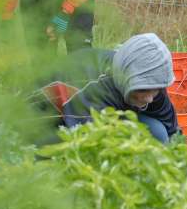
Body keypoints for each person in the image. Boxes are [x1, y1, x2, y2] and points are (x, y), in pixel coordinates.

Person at [46, 33, 179, 144]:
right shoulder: (92, 87)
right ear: (124, 77)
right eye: (142, 90)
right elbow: (87, 142)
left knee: (157, 132)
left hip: (105, 113)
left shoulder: (151, 81)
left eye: (154, 90)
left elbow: (172, 130)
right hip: (50, 121)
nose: (150, 99)